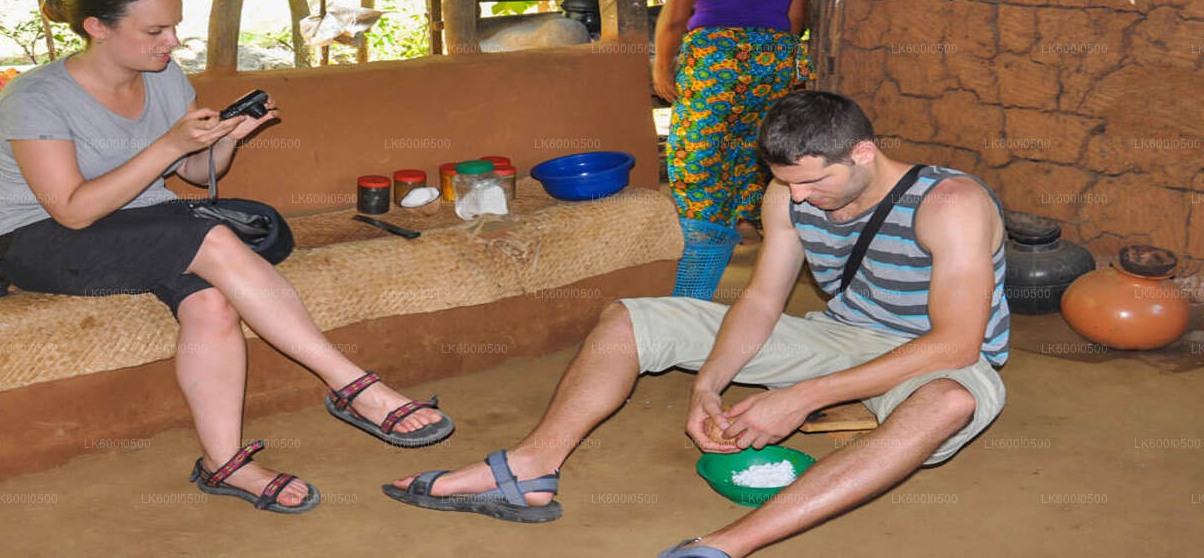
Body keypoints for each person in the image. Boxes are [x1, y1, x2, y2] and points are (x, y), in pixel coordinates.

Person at [386, 92, 1009, 557]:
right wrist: (708, 384)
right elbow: (763, 300)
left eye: (814, 182)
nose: (799, 199)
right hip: (841, 334)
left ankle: (723, 547)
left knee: (944, 404)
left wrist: (801, 397)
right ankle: (531, 467)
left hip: (937, 353)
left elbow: (954, 341)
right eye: (787, 184)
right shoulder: (788, 196)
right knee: (629, 317)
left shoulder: (951, 204)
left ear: (864, 154)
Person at [0, 0, 453, 514]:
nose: (173, 42)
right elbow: (71, 211)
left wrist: (228, 138)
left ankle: (225, 465)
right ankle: (355, 387)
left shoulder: (164, 76)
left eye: (175, 27)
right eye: (155, 31)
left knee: (211, 303)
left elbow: (194, 170)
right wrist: (166, 145)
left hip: (145, 227)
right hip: (42, 241)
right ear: (97, 27)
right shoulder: (34, 96)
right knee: (210, 238)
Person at [654, 0, 813, 237]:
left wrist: (662, 68)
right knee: (755, 140)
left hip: (715, 62)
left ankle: (705, 231)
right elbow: (795, 21)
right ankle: (746, 220)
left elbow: (676, 19)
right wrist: (764, 57)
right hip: (773, 60)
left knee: (697, 147)